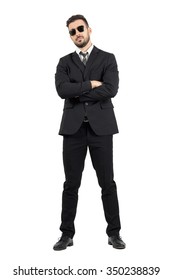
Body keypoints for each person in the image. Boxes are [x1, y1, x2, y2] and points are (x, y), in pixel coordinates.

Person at [53, 14, 125, 250]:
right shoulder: (64, 62)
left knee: (107, 183)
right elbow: (62, 90)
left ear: (89, 29)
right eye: (72, 32)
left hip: (101, 129)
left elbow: (111, 89)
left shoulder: (107, 58)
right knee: (70, 184)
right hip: (73, 130)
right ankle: (66, 234)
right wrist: (91, 85)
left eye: (80, 29)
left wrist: (77, 92)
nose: (77, 34)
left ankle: (114, 233)